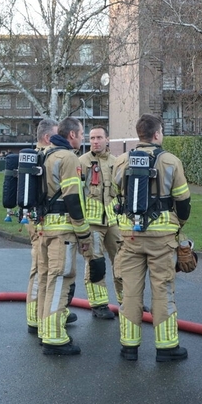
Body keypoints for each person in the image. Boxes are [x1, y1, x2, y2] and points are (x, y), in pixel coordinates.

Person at [112, 114, 191, 362]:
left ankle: (129, 346)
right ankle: (167, 348)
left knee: (131, 292)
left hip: (130, 237)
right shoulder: (170, 161)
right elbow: (183, 201)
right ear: (157, 134)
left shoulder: (121, 161)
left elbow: (115, 198)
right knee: (163, 289)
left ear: (139, 134)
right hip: (162, 238)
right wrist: (178, 225)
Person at [36, 117, 93, 356]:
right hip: (63, 232)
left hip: (46, 228)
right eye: (82, 134)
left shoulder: (46, 154)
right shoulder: (68, 158)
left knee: (48, 280)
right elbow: (73, 199)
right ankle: (55, 337)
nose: (83, 138)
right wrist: (84, 234)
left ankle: (44, 329)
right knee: (60, 280)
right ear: (72, 135)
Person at [78, 125, 121, 320]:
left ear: (107, 139)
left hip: (113, 221)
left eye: (99, 138)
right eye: (92, 138)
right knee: (96, 264)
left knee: (122, 262)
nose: (95, 141)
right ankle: (99, 304)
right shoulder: (81, 162)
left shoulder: (116, 162)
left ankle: (127, 301)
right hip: (92, 223)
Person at [25, 118, 58, 339]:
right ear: (47, 138)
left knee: (43, 270)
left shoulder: (34, 158)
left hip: (36, 220)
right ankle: (36, 318)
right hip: (40, 222)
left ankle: (41, 314)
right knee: (40, 270)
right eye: (57, 135)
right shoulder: (43, 158)